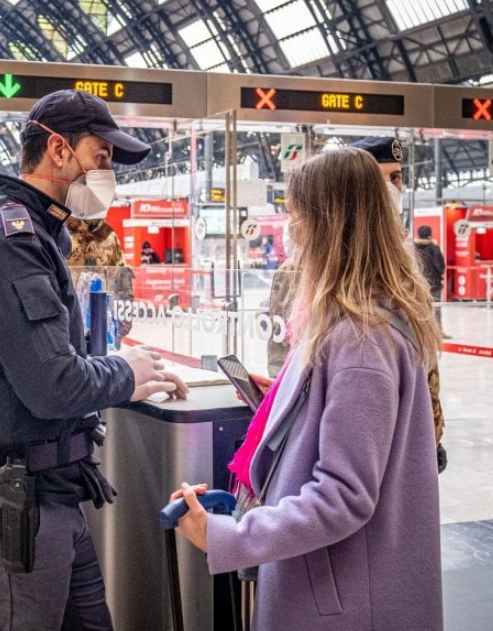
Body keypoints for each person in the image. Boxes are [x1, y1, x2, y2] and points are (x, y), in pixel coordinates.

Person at [0, 89, 187, 631]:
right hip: (12, 511)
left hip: (48, 497)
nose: (108, 174)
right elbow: (53, 383)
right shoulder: (10, 241)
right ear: (58, 149)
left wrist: (125, 383)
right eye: (101, 157)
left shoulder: (40, 229)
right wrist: (127, 372)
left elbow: (55, 361)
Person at [173, 148, 443, 631]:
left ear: (326, 224)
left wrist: (227, 536)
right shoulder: (359, 319)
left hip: (344, 602)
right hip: (346, 586)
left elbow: (344, 494)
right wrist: (287, 397)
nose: (289, 232)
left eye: (296, 216)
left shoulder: (361, 340)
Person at [353, 136, 447, 468]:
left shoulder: (405, 260)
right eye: (381, 178)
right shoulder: (336, 264)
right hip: (367, 443)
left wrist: (433, 431)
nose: (392, 189)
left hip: (412, 435)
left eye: (396, 178)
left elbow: (425, 359)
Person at [65, 215, 135, 339]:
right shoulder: (61, 231)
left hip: (100, 325)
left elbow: (122, 280)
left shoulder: (106, 235)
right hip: (68, 323)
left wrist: (121, 327)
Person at [413, 225, 448, 335]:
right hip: (434, 284)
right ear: (429, 235)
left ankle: (421, 332)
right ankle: (438, 332)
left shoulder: (413, 249)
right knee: (436, 307)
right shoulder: (434, 249)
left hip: (418, 284)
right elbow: (440, 267)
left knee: (420, 308)